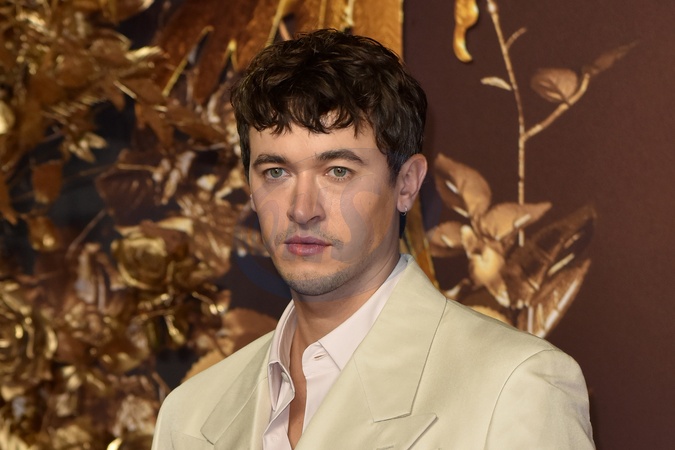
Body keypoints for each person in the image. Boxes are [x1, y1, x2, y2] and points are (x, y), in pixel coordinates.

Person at [151, 29, 594, 449]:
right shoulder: (189, 414)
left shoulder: (515, 386)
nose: (302, 209)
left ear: (407, 184)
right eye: (276, 172)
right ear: (250, 184)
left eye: (337, 171)